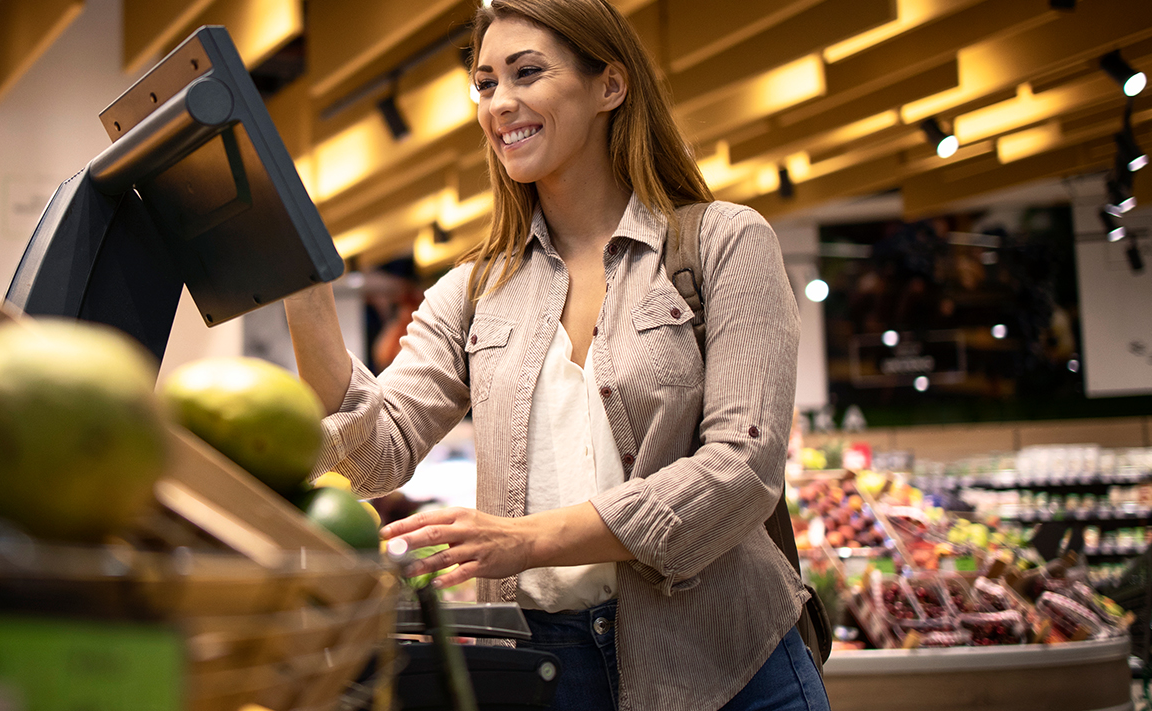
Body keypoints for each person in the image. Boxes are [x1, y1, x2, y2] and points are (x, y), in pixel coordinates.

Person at [283, 0, 827, 709]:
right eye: (484, 84)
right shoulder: (476, 290)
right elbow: (375, 449)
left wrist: (528, 540)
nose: (499, 103)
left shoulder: (721, 244)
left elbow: (743, 468)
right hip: (544, 667)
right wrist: (298, 281)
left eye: (526, 73)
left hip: (729, 663)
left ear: (610, 85)